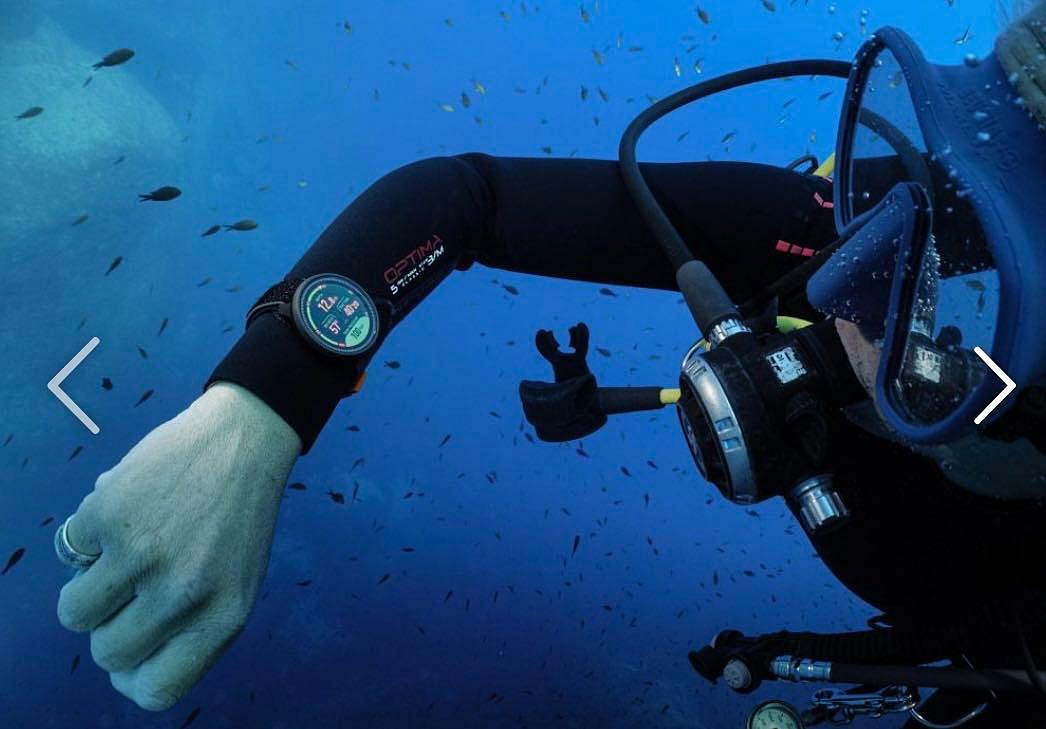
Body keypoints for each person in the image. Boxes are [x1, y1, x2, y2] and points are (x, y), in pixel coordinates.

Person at [53, 4, 1046, 725]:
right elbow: (462, 198)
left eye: (979, 274)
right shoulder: (826, 229)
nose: (859, 274)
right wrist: (260, 406)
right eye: (935, 198)